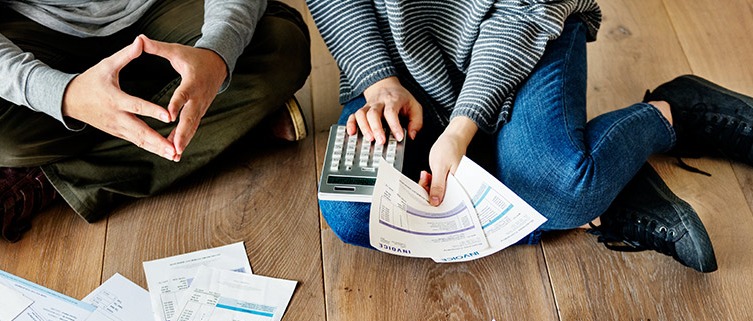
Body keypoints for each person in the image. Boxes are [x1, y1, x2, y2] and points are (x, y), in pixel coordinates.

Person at [307, 0, 753, 273]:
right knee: (350, 211)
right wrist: (379, 80)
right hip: (398, 68)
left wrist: (463, 126)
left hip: (531, 35)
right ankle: (599, 190)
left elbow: (525, 13)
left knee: (562, 189)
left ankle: (672, 114)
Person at [0, 0, 311, 248]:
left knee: (279, 46)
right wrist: (62, 95)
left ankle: (49, 180)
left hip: (165, 9)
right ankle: (225, 122)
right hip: (30, 27)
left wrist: (217, 54)